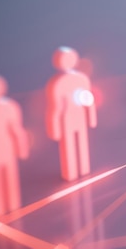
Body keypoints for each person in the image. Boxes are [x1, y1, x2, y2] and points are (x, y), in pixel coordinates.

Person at [46, 46, 97, 181]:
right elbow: (56, 107)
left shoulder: (82, 79)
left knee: (82, 143)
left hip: (78, 116)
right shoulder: (58, 83)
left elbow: (88, 99)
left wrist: (91, 117)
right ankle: (71, 172)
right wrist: (55, 128)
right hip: (67, 119)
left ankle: (83, 169)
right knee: (69, 145)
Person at [0, 72, 30, 217]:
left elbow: (17, 130)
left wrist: (22, 148)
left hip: (7, 147)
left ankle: (13, 204)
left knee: (10, 176)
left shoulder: (10, 107)